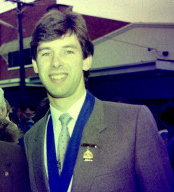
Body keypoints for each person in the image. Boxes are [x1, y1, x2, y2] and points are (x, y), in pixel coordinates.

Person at [24, 9, 173, 192]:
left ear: (86, 60)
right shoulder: (31, 140)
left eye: (68, 51)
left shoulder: (133, 123)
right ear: (35, 64)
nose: (56, 63)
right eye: (46, 53)